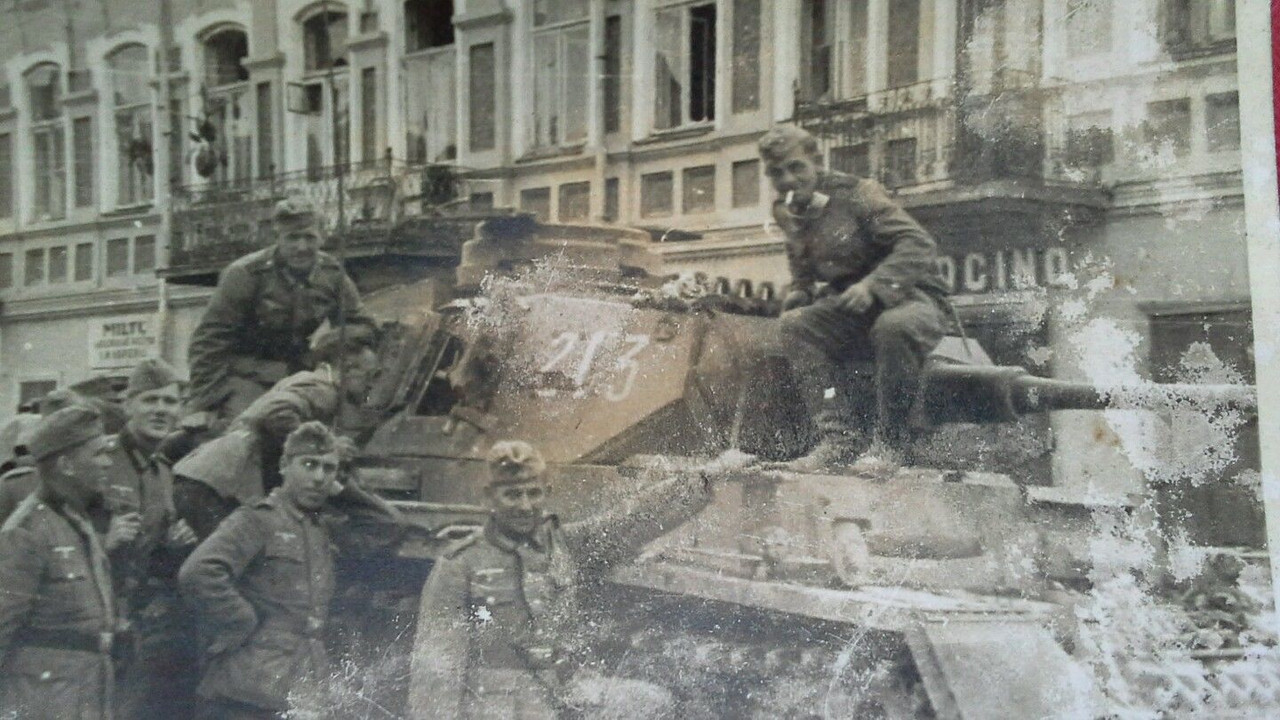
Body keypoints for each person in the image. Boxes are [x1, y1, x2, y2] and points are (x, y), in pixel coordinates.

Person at [408, 441, 753, 719]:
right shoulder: (460, 564)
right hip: (498, 703)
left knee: (650, 703)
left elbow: (629, 520)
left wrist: (707, 475)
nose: (525, 505)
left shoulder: (565, 543)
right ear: (488, 497)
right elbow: (437, 663)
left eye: (533, 493)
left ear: (546, 492)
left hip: (567, 687)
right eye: (512, 494)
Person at [178, 421, 403, 719]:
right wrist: (240, 621)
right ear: (285, 465)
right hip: (246, 686)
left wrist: (342, 490)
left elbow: (391, 526)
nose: (318, 477)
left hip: (302, 686)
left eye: (328, 468)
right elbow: (199, 572)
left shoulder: (322, 528)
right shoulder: (256, 520)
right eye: (309, 465)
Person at [760, 125, 949, 472]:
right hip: (852, 308)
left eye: (796, 167)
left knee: (893, 328)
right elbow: (803, 269)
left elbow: (918, 243)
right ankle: (838, 439)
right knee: (795, 327)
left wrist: (873, 286)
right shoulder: (788, 210)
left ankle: (892, 445)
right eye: (776, 173)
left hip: (911, 298)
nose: (787, 179)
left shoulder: (859, 193)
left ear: (816, 161)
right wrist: (799, 292)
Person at [186, 197, 374, 421]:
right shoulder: (246, 274)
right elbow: (208, 342)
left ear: (322, 237)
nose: (302, 247)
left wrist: (331, 343)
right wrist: (204, 404)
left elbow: (363, 325)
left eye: (309, 237)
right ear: (277, 238)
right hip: (244, 376)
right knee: (256, 430)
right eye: (293, 238)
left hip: (298, 375)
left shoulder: (331, 274)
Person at [0, 406, 122, 720]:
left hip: (84, 692)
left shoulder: (73, 518)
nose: (108, 462)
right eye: (98, 454)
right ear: (66, 464)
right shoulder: (25, 533)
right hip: (43, 701)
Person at [106, 359, 203, 719]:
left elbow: (152, 549)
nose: (161, 410)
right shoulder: (101, 459)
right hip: (96, 609)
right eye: (150, 400)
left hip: (139, 618)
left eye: (169, 401)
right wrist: (105, 538)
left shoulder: (164, 471)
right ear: (128, 404)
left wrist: (175, 543)